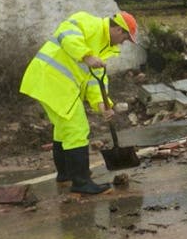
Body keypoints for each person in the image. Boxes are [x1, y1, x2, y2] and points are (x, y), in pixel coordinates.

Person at [20, 11, 139, 194]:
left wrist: (101, 103)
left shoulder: (105, 48)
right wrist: (86, 55)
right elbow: (65, 33)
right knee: (77, 128)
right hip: (51, 80)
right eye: (125, 37)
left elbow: (95, 79)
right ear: (116, 29)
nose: (123, 42)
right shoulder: (88, 22)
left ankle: (66, 174)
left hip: (53, 83)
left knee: (63, 130)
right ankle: (81, 182)